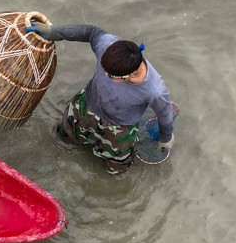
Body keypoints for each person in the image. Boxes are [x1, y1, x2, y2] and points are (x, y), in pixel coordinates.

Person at [26, 22, 177, 176]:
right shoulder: (107, 45)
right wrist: (54, 32)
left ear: (128, 76)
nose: (104, 74)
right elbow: (89, 32)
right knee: (63, 137)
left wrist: (165, 137)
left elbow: (165, 114)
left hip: (118, 129)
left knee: (116, 169)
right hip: (84, 107)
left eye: (110, 75)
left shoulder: (155, 91)